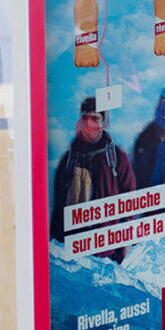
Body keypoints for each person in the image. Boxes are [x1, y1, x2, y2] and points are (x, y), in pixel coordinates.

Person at [51, 96, 137, 262]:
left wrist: (125, 244)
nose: (89, 123)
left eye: (95, 118)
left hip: (107, 251)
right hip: (73, 250)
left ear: (103, 122)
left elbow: (129, 201)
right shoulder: (69, 159)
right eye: (85, 118)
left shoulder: (116, 157)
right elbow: (58, 204)